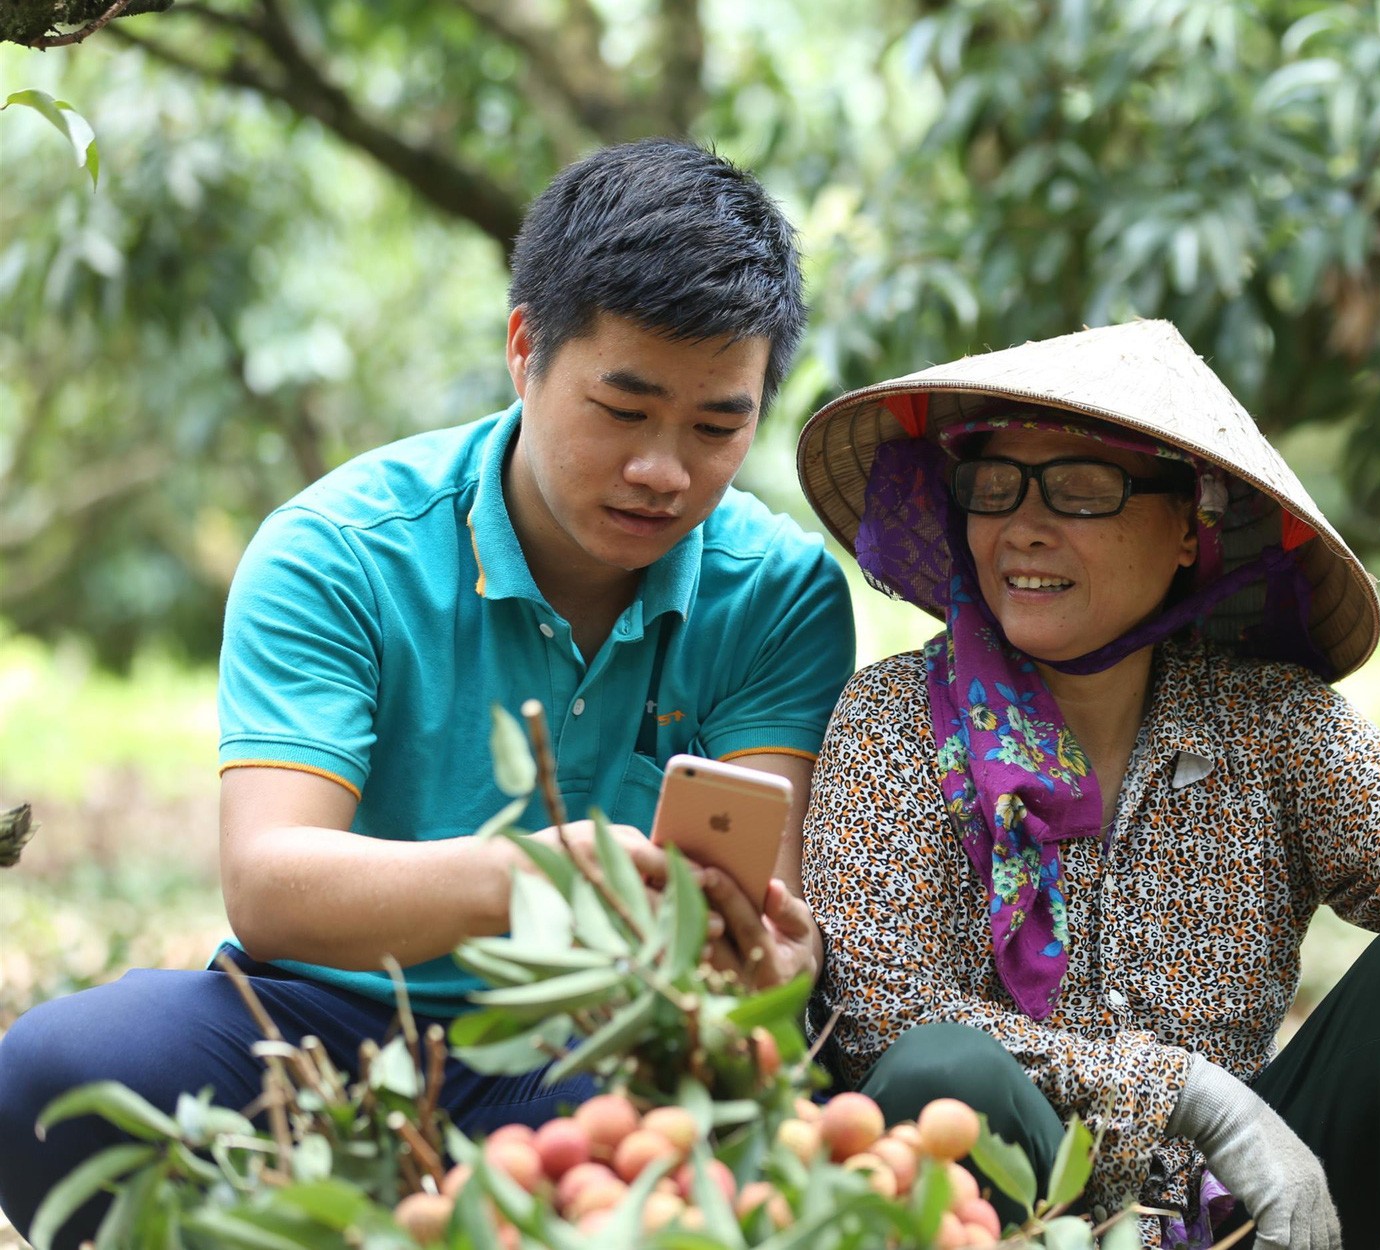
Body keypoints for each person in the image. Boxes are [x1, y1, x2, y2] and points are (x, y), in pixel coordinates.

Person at [0, 138, 855, 1249]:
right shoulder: (336, 552)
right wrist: (536, 876)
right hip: (320, 1029)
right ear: (522, 347)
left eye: (715, 426)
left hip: (595, 1055)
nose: (662, 468)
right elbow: (269, 881)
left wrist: (770, 972)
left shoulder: (779, 593)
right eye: (622, 407)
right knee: (55, 1074)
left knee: (709, 1140)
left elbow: (751, 903)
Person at [794, 320, 1380, 1250]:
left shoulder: (1266, 724)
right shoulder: (894, 722)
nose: (1023, 525)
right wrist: (1190, 1096)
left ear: (1187, 531)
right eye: (994, 486)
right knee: (942, 1071)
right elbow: (884, 1010)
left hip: (1264, 1220)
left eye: (1081, 488)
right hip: (1026, 1224)